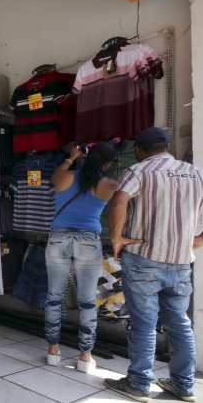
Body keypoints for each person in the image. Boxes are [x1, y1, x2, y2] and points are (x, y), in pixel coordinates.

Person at [105, 127, 203, 403]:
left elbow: (119, 200)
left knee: (144, 323)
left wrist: (117, 238)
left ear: (138, 151)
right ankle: (183, 385)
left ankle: (139, 384)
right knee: (180, 323)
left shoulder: (139, 171)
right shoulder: (198, 174)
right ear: (168, 147)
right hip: (180, 261)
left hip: (144, 257)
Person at [45, 143, 117, 373]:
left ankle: (53, 351)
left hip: (58, 238)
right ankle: (85, 356)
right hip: (88, 240)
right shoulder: (110, 184)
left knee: (54, 296)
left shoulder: (64, 176)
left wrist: (70, 158)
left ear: (84, 157)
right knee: (87, 300)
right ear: (107, 164)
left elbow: (54, 177)